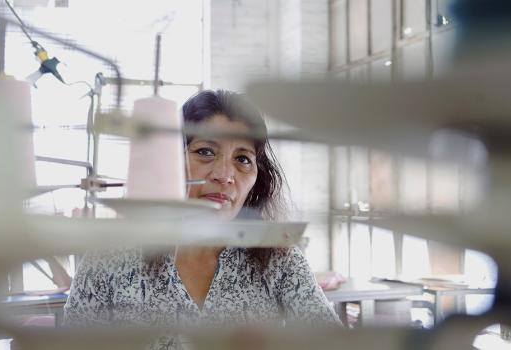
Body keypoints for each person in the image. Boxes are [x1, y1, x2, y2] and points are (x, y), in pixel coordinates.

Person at [63, 90, 342, 329]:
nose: (224, 174)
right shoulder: (109, 258)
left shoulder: (278, 259)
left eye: (242, 158)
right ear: (171, 158)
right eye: (206, 151)